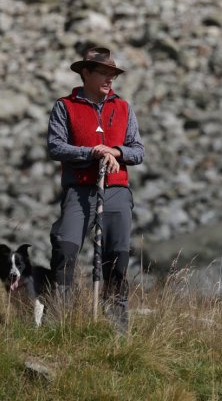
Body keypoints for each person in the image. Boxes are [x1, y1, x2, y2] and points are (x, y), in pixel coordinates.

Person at [47, 46, 144, 332]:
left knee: (117, 258)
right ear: (85, 73)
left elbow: (138, 151)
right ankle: (60, 320)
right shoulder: (65, 106)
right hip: (79, 189)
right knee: (64, 247)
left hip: (116, 191)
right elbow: (55, 146)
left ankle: (116, 329)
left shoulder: (123, 107)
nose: (109, 79)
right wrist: (92, 153)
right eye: (103, 73)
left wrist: (114, 151)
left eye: (112, 74)